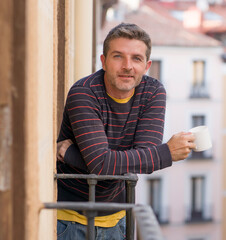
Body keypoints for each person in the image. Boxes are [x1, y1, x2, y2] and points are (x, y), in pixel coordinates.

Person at [56, 22, 196, 240]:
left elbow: (142, 158)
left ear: (147, 65)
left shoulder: (152, 92)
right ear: (103, 61)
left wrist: (73, 156)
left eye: (136, 58)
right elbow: (107, 163)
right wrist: (166, 153)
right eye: (118, 56)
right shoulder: (84, 94)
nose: (127, 66)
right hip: (71, 219)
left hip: (119, 217)